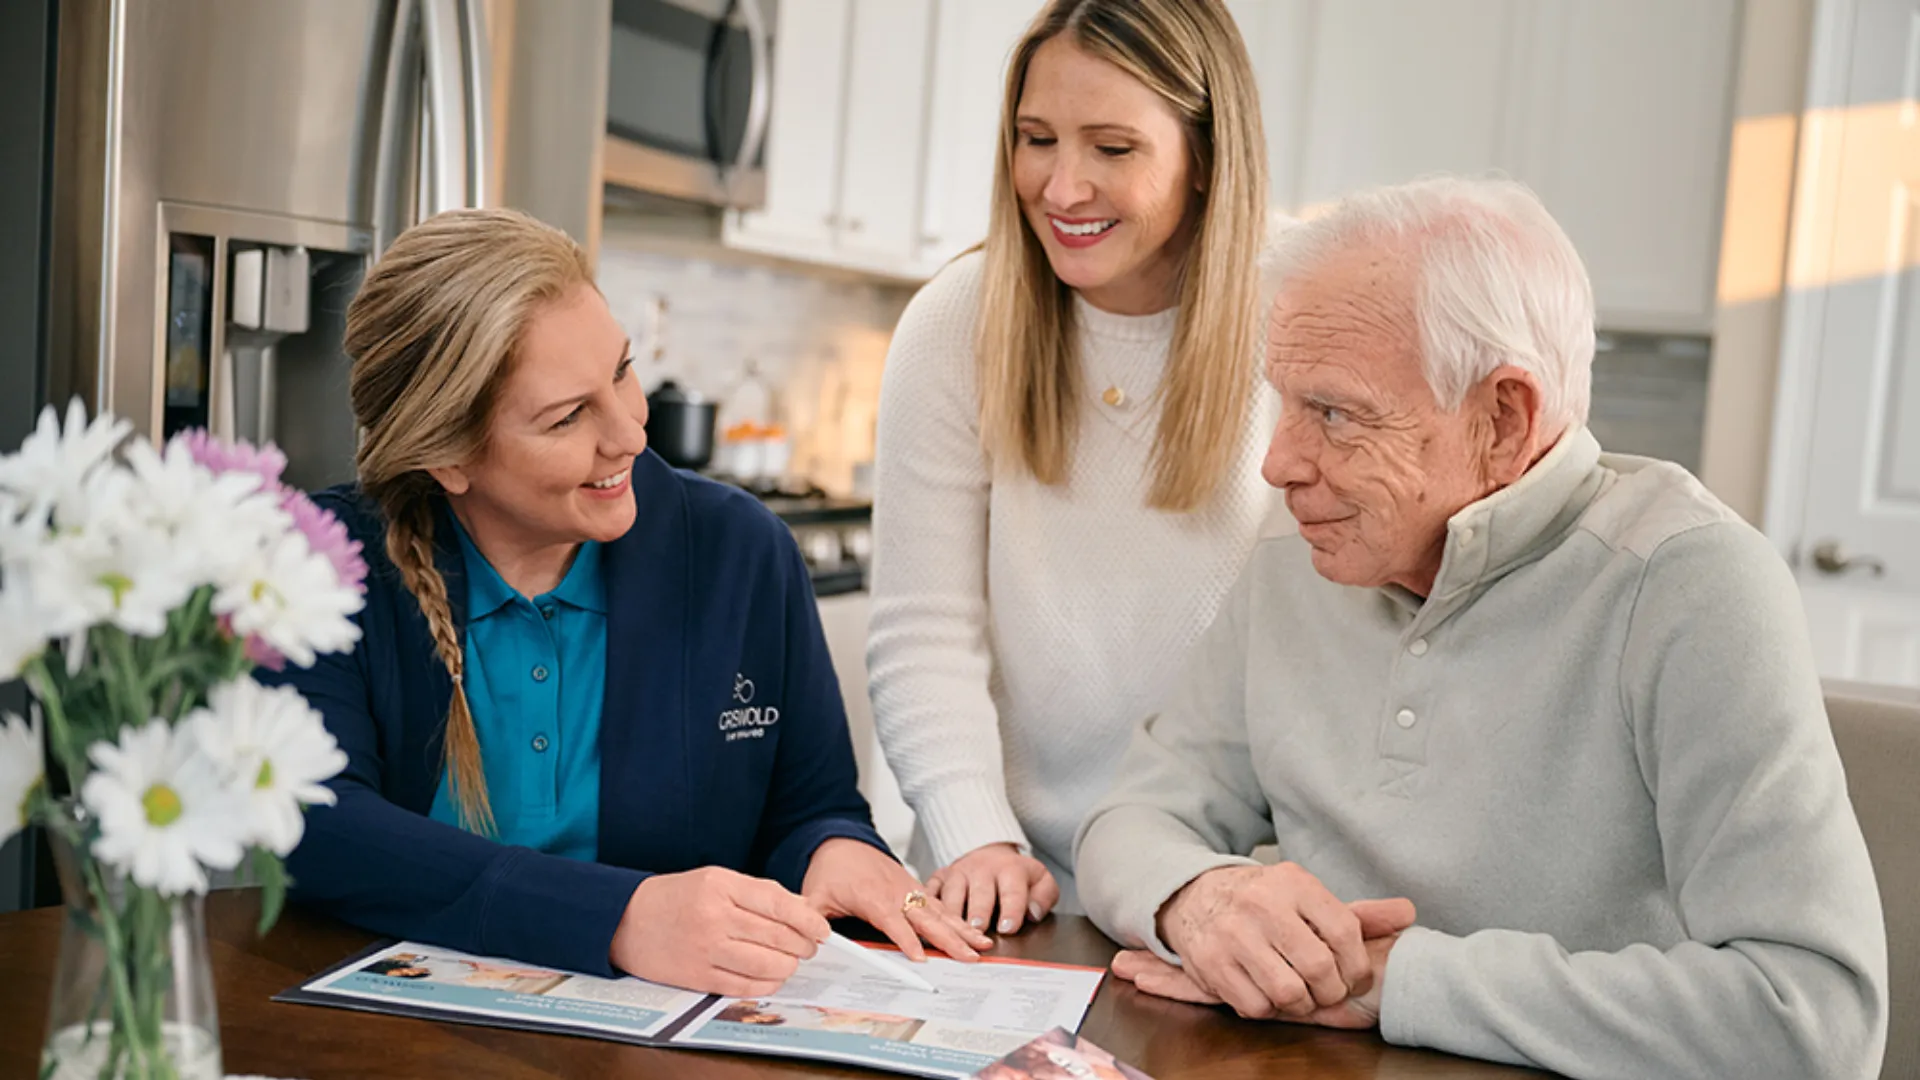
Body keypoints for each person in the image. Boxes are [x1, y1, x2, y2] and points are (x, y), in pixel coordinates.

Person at [1073, 176, 1889, 1078]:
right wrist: (1203, 895)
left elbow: (1813, 1017)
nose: (1277, 463)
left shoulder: (1692, 584)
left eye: (1336, 414)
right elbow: (1132, 818)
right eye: (1285, 402)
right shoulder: (1302, 546)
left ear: (1504, 418)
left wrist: (1398, 980)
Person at [269, 208, 990, 998]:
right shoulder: (320, 565)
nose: (631, 435)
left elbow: (808, 807)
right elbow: (317, 827)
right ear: (448, 457)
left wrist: (836, 851)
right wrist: (620, 916)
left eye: (621, 370)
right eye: (568, 416)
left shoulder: (740, 552)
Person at [867, 0, 1286, 934]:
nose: (1061, 187)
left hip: (1222, 889)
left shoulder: (1297, 316)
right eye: (1036, 138)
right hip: (1006, 884)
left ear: (1208, 156)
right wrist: (974, 835)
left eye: (1112, 148)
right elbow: (923, 631)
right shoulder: (955, 325)